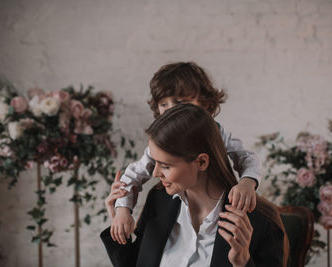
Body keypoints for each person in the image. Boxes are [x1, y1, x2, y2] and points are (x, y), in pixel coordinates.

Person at [101, 104, 288, 267]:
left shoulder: (261, 223)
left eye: (165, 166)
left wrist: (242, 262)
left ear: (201, 162)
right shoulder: (159, 201)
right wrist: (118, 225)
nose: (155, 173)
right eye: (154, 162)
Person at [107, 62, 262, 245]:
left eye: (181, 102)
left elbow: (246, 157)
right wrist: (122, 209)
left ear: (205, 104)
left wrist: (247, 182)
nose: (172, 109)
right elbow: (131, 176)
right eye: (164, 104)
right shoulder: (157, 150)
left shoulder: (218, 134)